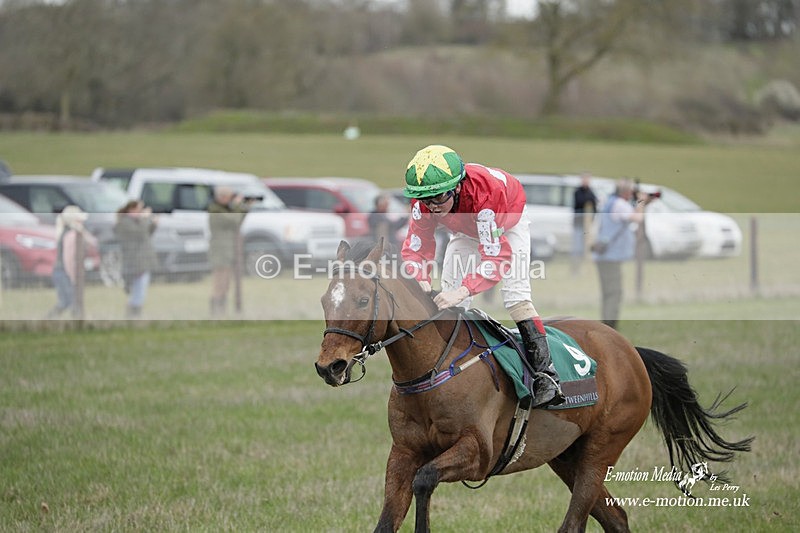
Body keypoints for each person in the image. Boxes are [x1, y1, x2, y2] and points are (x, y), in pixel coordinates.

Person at [401, 144, 564, 408]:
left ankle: (547, 375)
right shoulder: (425, 203)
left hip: (506, 223)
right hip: (466, 229)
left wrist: (464, 290)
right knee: (449, 298)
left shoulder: (484, 196)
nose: (432, 206)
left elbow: (496, 258)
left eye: (439, 198)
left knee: (515, 297)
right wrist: (419, 276)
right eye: (425, 199)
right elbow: (416, 247)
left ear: (456, 186)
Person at [592, 179, 652, 329]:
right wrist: (641, 202)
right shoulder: (619, 204)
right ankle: (610, 326)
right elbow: (638, 218)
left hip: (605, 256)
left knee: (609, 292)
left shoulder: (611, 202)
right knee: (614, 293)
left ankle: (607, 323)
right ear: (626, 192)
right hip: (610, 257)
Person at [46, 205, 97, 318]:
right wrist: (73, 275)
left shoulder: (75, 232)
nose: (82, 222)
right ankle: (49, 320)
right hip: (64, 271)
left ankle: (73, 320)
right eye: (79, 220)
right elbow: (67, 258)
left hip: (65, 271)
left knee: (71, 301)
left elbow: (92, 242)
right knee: (68, 301)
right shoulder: (70, 235)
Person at [208, 186, 251, 316]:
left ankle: (222, 311)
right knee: (219, 284)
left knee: (226, 285)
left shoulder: (226, 210)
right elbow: (234, 220)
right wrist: (238, 206)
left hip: (228, 251)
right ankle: (216, 312)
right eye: (229, 197)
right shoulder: (216, 210)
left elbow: (238, 222)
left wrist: (245, 207)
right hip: (220, 252)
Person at [115, 200, 158, 318]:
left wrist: (153, 224)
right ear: (131, 209)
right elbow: (140, 233)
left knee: (140, 292)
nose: (141, 212)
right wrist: (145, 219)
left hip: (143, 263)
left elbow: (146, 234)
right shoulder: (125, 223)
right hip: (134, 263)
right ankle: (132, 317)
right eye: (139, 210)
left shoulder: (137, 222)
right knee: (137, 293)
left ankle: (134, 316)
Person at [571, 173, 598, 276]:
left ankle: (584, 270)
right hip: (578, 225)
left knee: (586, 249)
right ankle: (575, 270)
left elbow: (594, 206)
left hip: (587, 227)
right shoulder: (578, 192)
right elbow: (580, 202)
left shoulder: (591, 192)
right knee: (577, 249)